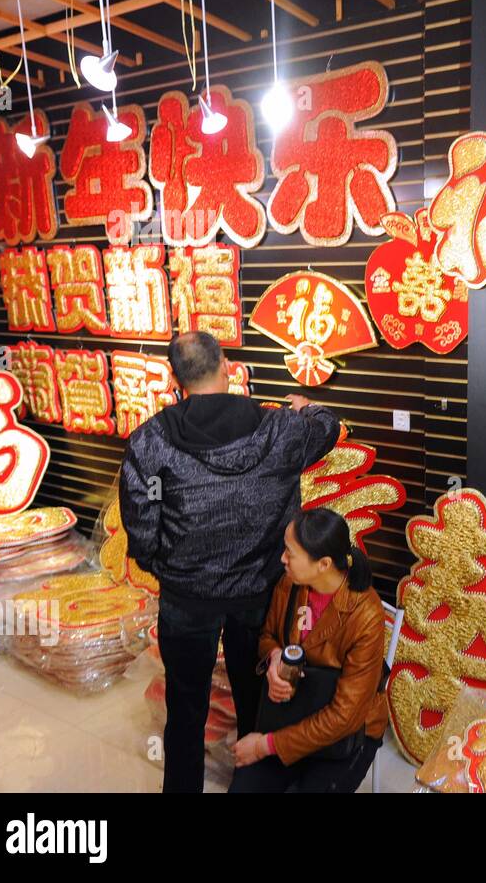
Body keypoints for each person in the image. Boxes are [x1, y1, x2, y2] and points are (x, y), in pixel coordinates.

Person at [119, 331, 342, 793]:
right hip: (258, 590)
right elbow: (329, 428)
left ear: (176, 380)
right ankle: (254, 785)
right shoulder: (279, 429)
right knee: (257, 699)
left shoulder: (151, 441)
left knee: (185, 706)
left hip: (186, 596)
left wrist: (159, 562)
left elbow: (142, 518)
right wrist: (307, 408)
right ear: (226, 369)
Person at [229, 508, 388, 793]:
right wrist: (275, 658)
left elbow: (345, 717)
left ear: (323, 564)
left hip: (345, 735)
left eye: (290, 552)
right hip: (291, 712)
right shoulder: (290, 584)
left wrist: (266, 746)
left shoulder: (366, 615)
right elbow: (268, 637)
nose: (282, 559)